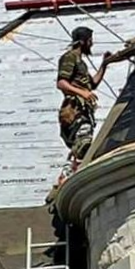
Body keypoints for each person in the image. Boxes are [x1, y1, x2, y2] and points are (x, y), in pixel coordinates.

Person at [56, 24, 102, 169]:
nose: (92, 43)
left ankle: (72, 168)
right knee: (83, 144)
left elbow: (92, 84)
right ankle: (70, 170)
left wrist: (105, 64)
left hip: (83, 110)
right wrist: (82, 93)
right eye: (90, 40)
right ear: (83, 41)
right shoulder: (70, 57)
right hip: (74, 110)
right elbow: (62, 83)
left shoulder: (81, 62)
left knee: (83, 145)